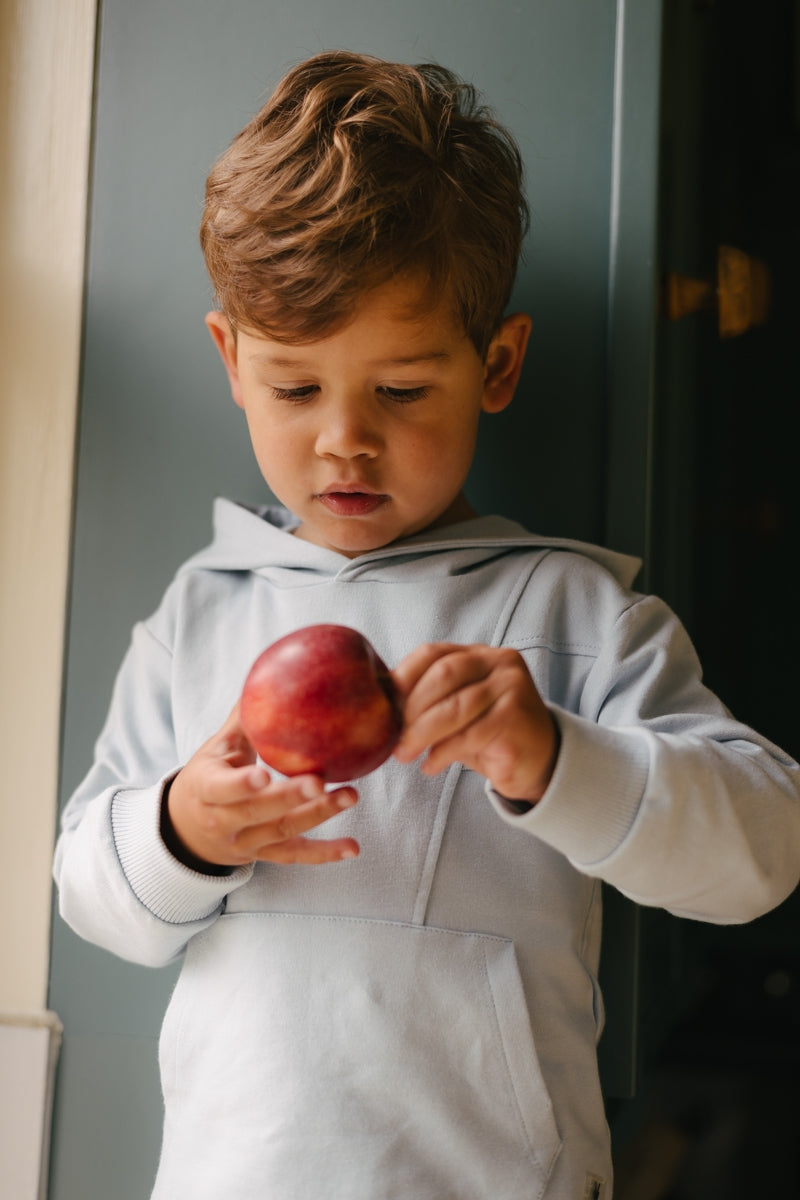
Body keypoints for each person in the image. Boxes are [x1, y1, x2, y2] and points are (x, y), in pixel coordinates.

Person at [53, 50, 800, 1200]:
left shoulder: (574, 613)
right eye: (297, 389)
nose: (343, 441)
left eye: (399, 390)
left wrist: (554, 757)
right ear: (231, 363)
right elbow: (89, 891)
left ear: (494, 364)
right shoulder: (200, 611)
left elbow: (762, 852)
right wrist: (181, 826)